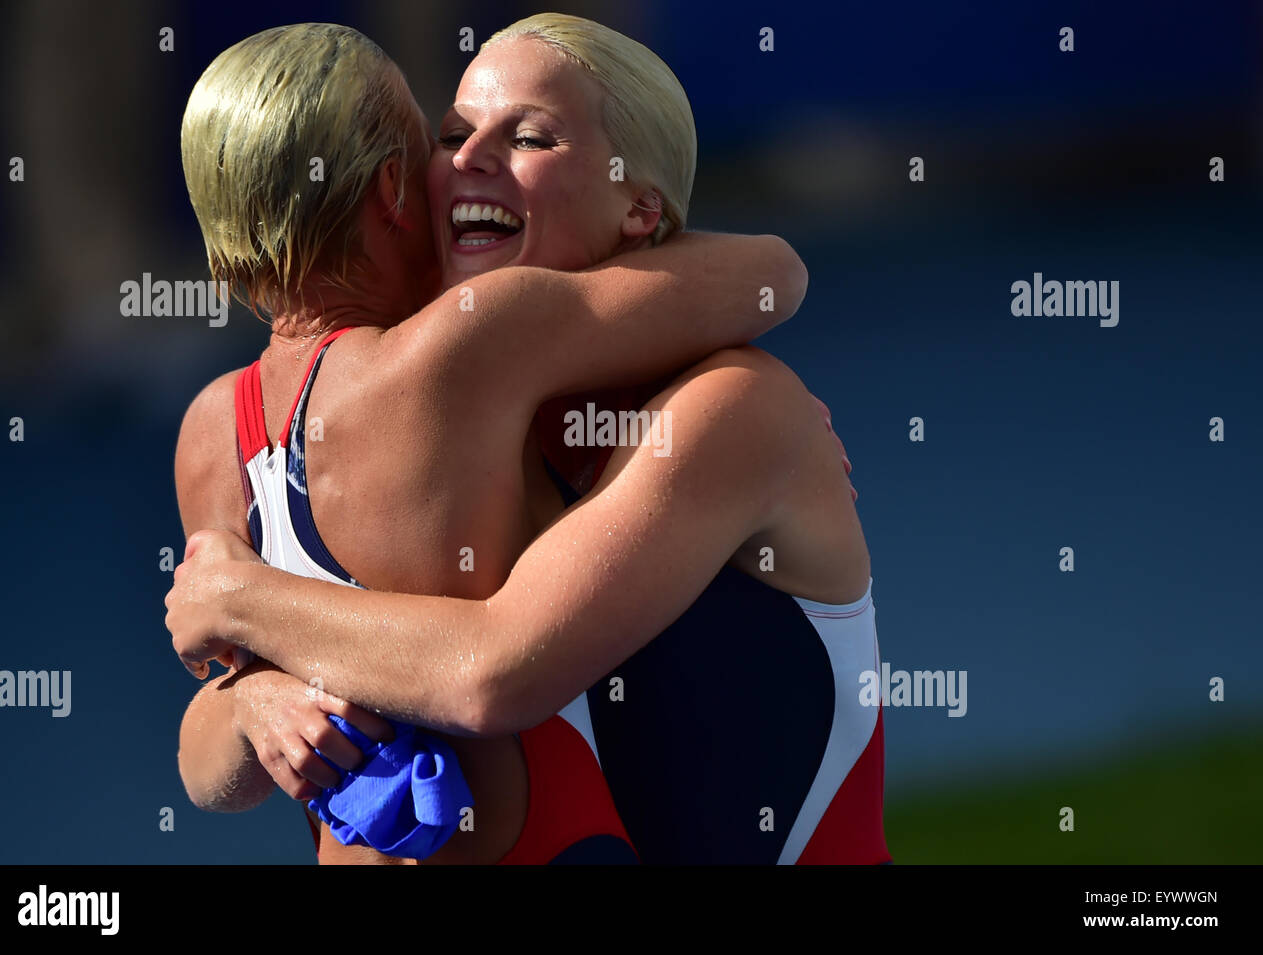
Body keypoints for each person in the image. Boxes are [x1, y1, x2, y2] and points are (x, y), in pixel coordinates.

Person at [170, 15, 888, 864]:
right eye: (452, 135)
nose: (469, 159)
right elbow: (206, 746)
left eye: (531, 138)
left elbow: (490, 674)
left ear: (640, 203)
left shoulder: (733, 408)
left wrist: (238, 599)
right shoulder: (485, 410)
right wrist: (257, 699)